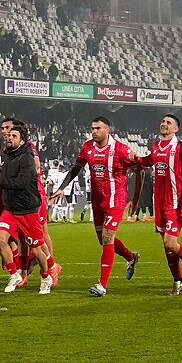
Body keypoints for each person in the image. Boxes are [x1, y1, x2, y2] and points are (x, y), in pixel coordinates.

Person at [51, 116, 140, 298]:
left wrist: (135, 198)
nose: (94, 131)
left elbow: (140, 169)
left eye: (98, 128)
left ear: (108, 129)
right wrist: (61, 188)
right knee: (103, 240)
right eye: (92, 128)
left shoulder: (121, 150)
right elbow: (76, 168)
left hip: (116, 199)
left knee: (107, 238)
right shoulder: (88, 147)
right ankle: (131, 257)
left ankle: (102, 285)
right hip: (98, 200)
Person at [134, 114, 182, 296]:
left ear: (176, 129)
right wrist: (136, 159)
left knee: (170, 242)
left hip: (177, 201)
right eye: (162, 121)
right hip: (160, 201)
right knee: (166, 245)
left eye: (168, 123)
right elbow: (148, 161)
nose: (164, 124)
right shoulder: (155, 146)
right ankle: (178, 281)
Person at [0, 121, 56, 294]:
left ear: (21, 141)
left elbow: (23, 182)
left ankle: (46, 276)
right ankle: (14, 274)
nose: (9, 138)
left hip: (27, 210)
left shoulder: (26, 157)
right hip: (10, 209)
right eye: (9, 135)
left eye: (14, 136)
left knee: (36, 249)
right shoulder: (6, 156)